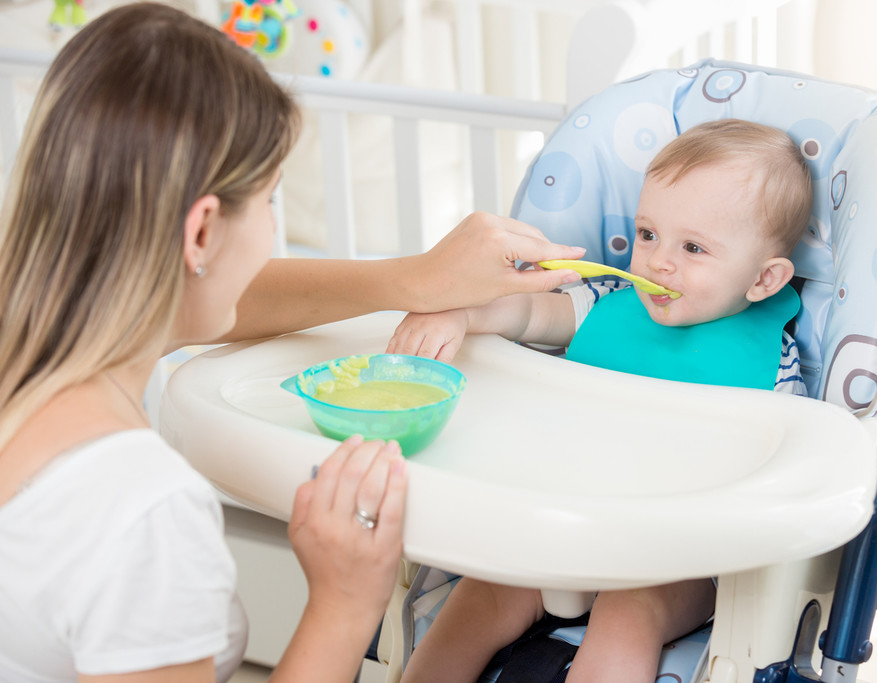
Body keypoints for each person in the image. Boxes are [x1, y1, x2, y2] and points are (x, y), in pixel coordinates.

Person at [0, 5, 584, 682]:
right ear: (200, 233)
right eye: (270, 200)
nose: (273, 230)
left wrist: (415, 278)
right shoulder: (143, 512)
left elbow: (211, 296)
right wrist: (343, 603)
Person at [387, 118, 814, 682]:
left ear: (764, 280)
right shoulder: (610, 300)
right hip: (567, 517)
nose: (658, 262)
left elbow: (787, 471)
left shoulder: (772, 368)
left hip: (681, 554)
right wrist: (461, 313)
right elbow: (528, 313)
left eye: (693, 247)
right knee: (484, 592)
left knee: (629, 612)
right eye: (648, 234)